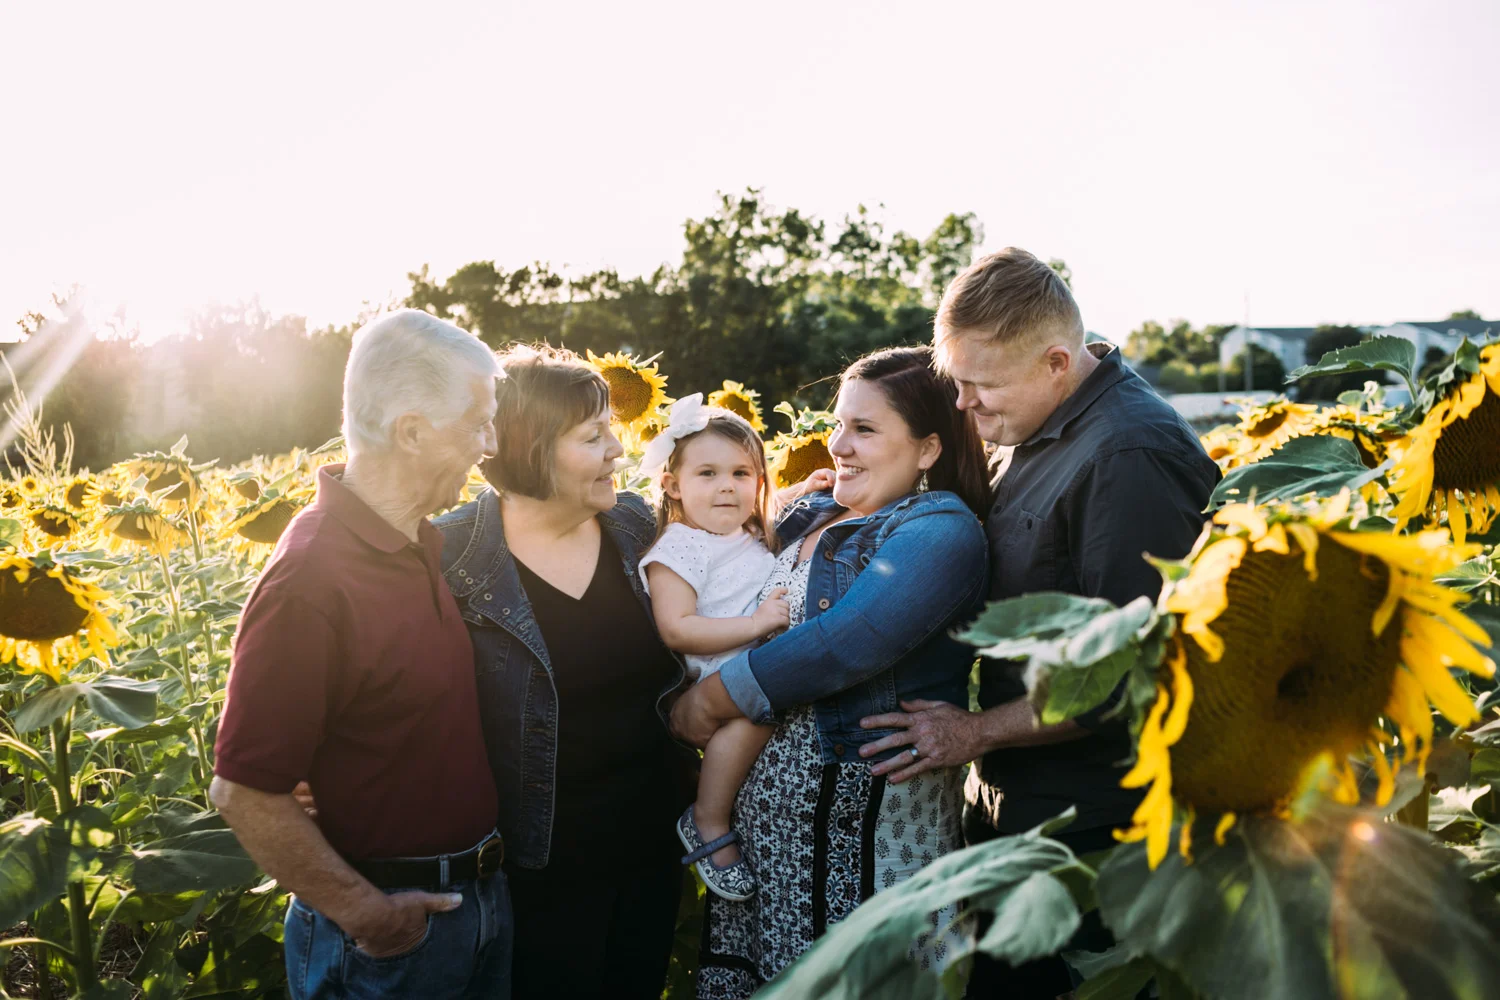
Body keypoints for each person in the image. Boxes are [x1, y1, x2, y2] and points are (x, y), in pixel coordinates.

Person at [857, 248, 1219, 995]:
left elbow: (1133, 670)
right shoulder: (1032, 428)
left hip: (1093, 836)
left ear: (1056, 362)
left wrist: (976, 732)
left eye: (981, 385)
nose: (964, 405)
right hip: (1021, 812)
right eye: (956, 382)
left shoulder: (1128, 455)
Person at [672, 346, 992, 998]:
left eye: (864, 429)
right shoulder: (814, 512)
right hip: (765, 849)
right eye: (838, 423)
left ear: (928, 448)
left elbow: (843, 645)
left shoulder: (941, 530)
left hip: (864, 848)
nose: (838, 444)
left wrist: (708, 702)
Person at [210, 309, 511, 1000]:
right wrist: (370, 916)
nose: (489, 446)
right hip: (392, 938)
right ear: (412, 431)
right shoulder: (312, 577)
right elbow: (243, 791)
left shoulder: (416, 539)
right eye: (478, 424)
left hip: (473, 905)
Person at [432, 344, 694, 1000]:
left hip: (650, 846)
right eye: (592, 436)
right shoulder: (451, 556)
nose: (617, 450)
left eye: (610, 430)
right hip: (535, 869)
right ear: (531, 448)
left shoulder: (634, 527)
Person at [636, 394, 794, 902]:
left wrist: (804, 490)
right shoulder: (680, 546)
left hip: (753, 663)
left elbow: (768, 510)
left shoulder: (745, 530)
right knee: (753, 719)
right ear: (672, 486)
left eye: (741, 474)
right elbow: (677, 629)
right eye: (707, 474)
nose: (727, 485)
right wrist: (756, 624)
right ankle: (707, 818)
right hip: (714, 674)